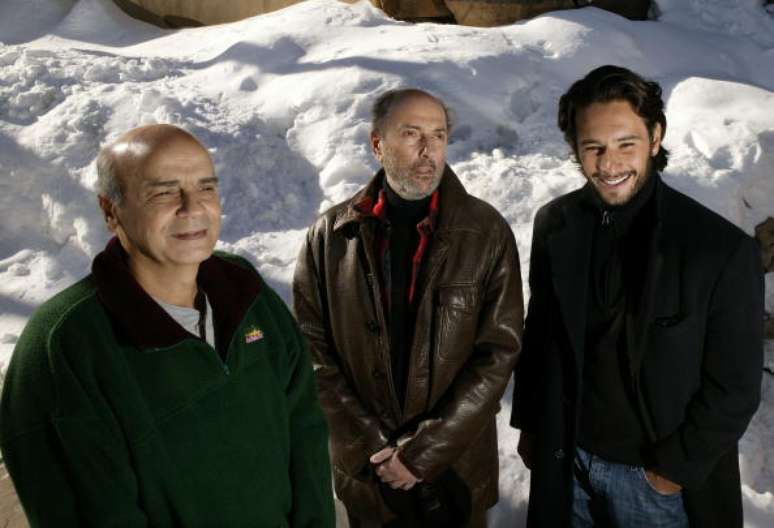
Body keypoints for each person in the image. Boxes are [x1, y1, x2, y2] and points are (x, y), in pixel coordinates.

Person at [0, 124, 335, 527]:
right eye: (163, 192)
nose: (192, 208)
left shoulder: (246, 294)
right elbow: (92, 512)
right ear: (111, 211)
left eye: (206, 188)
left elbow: (305, 431)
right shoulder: (68, 344)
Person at [510, 65, 764, 527]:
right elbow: (541, 333)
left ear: (654, 136)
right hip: (567, 465)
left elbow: (735, 386)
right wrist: (532, 426)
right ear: (575, 150)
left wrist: (670, 472)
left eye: (625, 143)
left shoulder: (719, 249)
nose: (609, 165)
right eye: (594, 148)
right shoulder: (555, 224)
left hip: (656, 484)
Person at [292, 89, 523, 527]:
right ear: (377, 144)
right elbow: (312, 351)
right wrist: (373, 448)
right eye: (411, 134)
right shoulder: (329, 236)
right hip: (370, 478)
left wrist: (421, 453)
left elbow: (499, 354)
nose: (427, 149)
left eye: (437, 135)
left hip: (455, 474)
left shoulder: (486, 232)